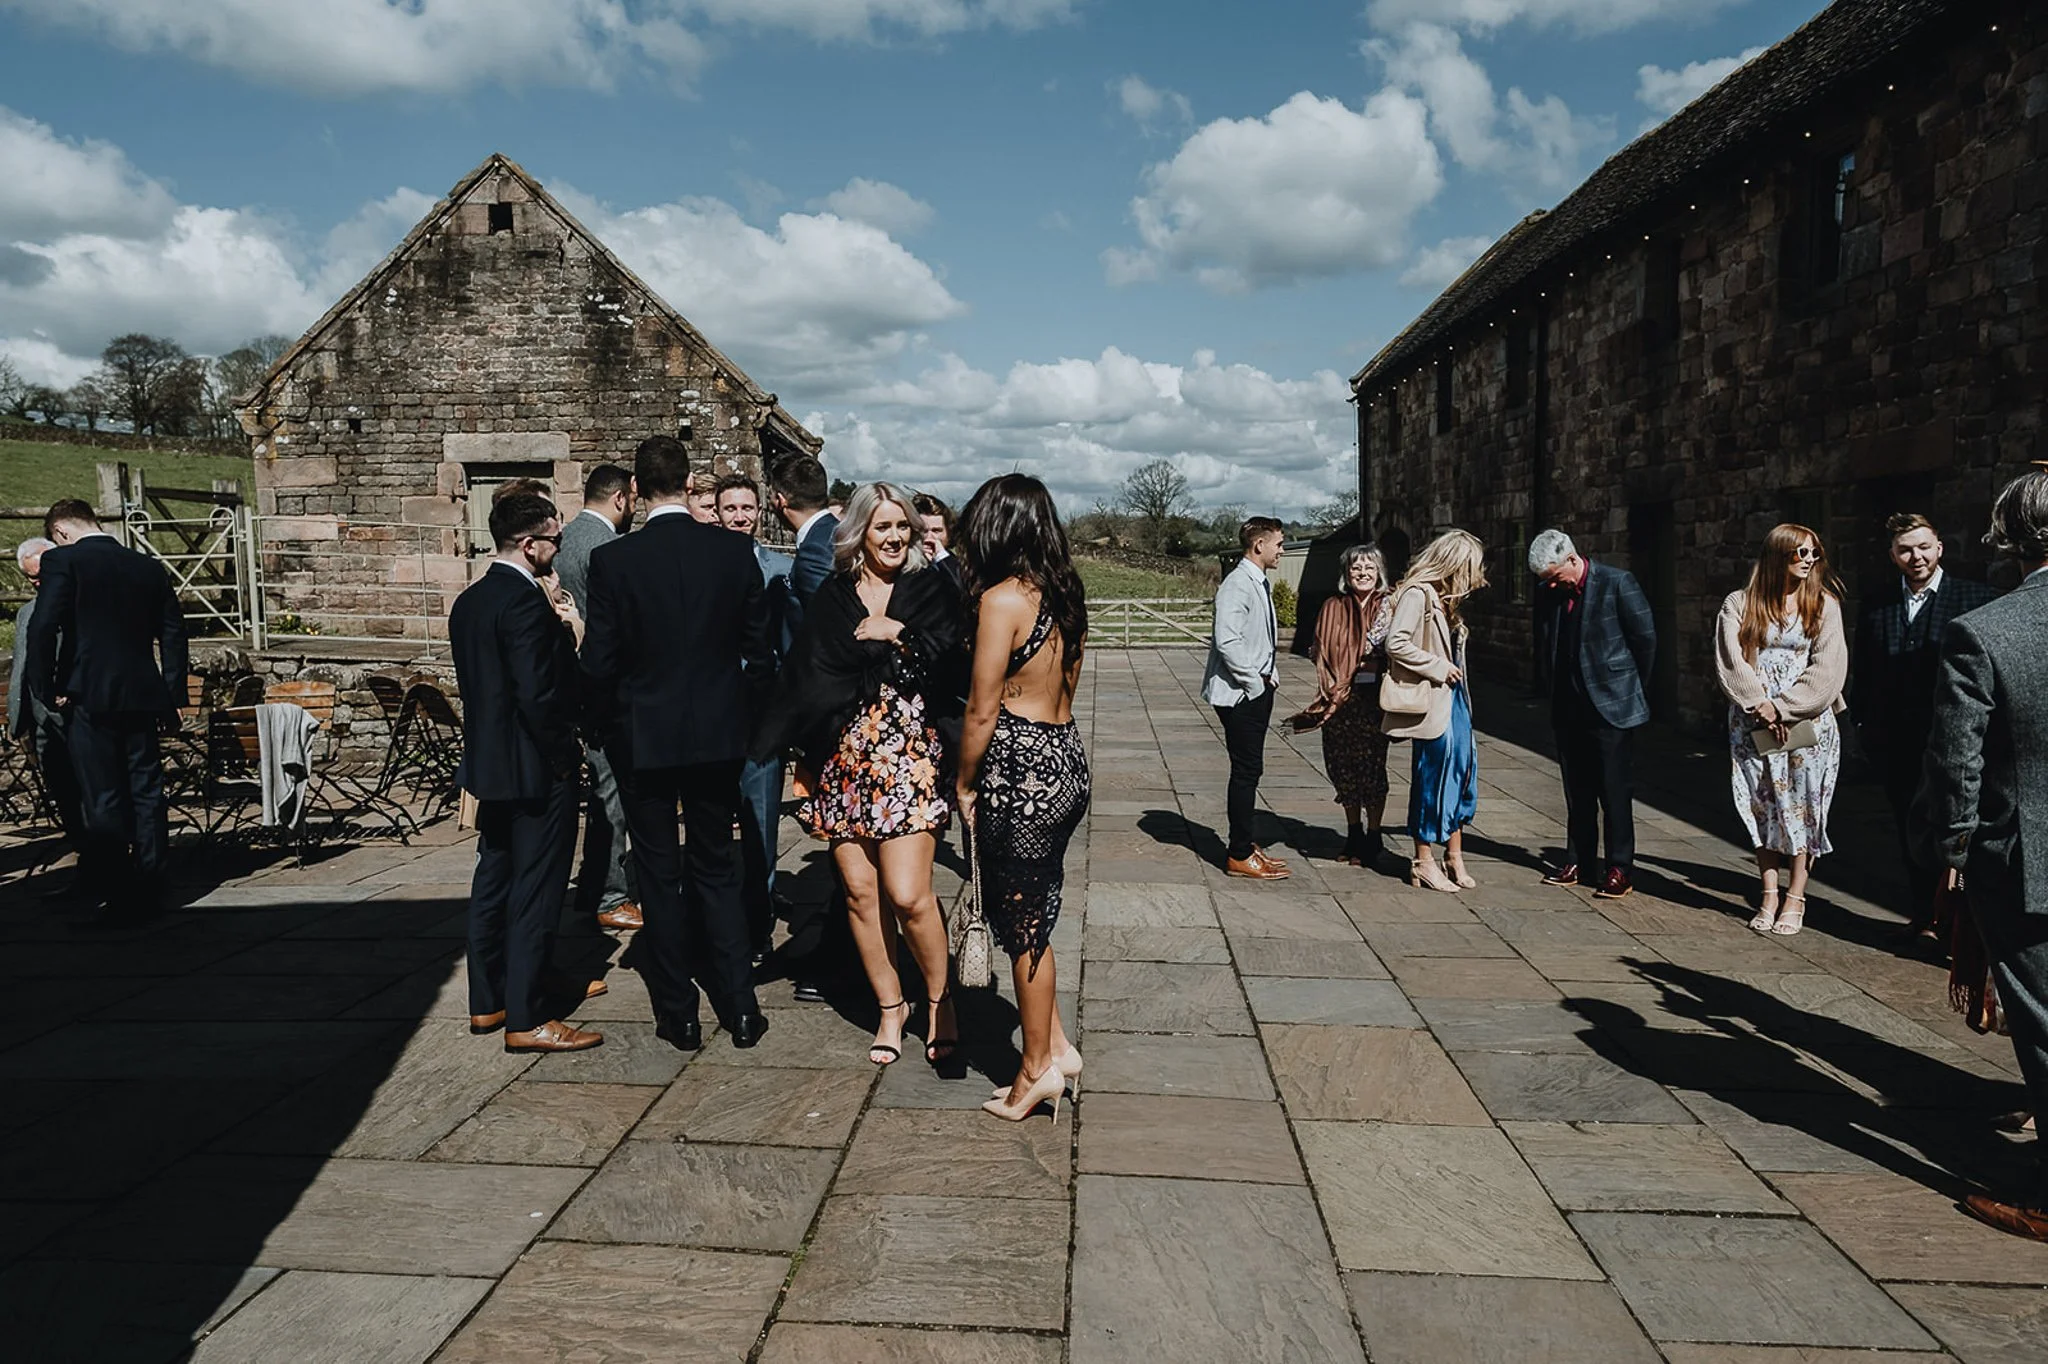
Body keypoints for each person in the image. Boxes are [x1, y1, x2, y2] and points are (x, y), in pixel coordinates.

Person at [753, 482, 962, 1067]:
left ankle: (942, 1002)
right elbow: (807, 678)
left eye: (902, 527)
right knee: (861, 895)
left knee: (909, 893)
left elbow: (954, 662)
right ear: (860, 535)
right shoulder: (835, 596)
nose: (894, 538)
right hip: (845, 760)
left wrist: (897, 632)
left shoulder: (930, 589)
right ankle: (891, 1007)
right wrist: (802, 756)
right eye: (883, 528)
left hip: (910, 758)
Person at [583, 436, 774, 1051]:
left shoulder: (616, 562)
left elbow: (601, 662)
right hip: (718, 738)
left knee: (659, 874)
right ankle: (740, 1009)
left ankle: (679, 1014)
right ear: (689, 484)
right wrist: (746, 720)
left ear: (636, 490)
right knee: (718, 867)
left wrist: (603, 726)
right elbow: (760, 654)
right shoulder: (733, 551)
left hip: (644, 740)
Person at [1914, 469, 2048, 1242]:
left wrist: (1956, 847)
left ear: (2011, 538)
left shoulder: (1984, 632)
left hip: (2026, 863)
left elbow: (1955, 760)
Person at [953, 475, 1092, 1122]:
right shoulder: (1067, 594)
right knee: (1036, 907)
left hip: (1019, 765)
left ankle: (1034, 1070)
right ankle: (1058, 1046)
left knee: (1024, 924)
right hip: (1065, 757)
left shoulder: (1001, 601)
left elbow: (981, 709)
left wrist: (964, 780)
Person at [448, 492, 600, 1053]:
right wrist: (567, 757)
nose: (558, 548)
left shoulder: (470, 602)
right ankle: (530, 1015)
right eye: (555, 540)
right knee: (537, 889)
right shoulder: (525, 605)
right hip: (536, 769)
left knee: (494, 881)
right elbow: (540, 696)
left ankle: (489, 1002)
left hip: (490, 765)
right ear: (529, 543)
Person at [23, 500, 187, 922]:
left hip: (88, 693)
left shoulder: (65, 561)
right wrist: (171, 695)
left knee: (103, 794)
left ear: (59, 531)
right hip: (141, 694)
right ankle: (153, 881)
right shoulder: (146, 565)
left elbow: (43, 626)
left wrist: (45, 687)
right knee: (148, 792)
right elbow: (172, 633)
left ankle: (117, 890)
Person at [1852, 513, 1997, 937]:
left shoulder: (1974, 598)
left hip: (1955, 738)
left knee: (1957, 826)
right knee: (1909, 829)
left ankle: (1960, 918)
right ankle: (1924, 912)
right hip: (1895, 740)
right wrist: (1864, 724)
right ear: (1893, 555)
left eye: (1923, 547)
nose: (1915, 556)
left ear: (1939, 549)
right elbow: (1866, 668)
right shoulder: (1879, 603)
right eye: (1905, 549)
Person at [1715, 524, 1849, 937]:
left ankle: (1797, 896)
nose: (1809, 560)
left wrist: (1785, 708)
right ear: (1777, 556)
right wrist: (1759, 705)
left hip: (1807, 722)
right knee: (1763, 805)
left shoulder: (1825, 605)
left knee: (1806, 805)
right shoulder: (1739, 603)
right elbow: (1730, 658)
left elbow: (1829, 670)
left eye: (1814, 553)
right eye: (1800, 553)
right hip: (1753, 721)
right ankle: (1769, 892)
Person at [1529, 529, 1657, 899]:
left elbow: (1645, 641)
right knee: (1577, 791)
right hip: (1567, 707)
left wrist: (1630, 691)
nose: (1553, 585)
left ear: (1573, 559)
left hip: (1612, 707)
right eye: (1546, 581)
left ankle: (1619, 867)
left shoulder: (1618, 584)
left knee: (1614, 791)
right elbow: (1545, 642)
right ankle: (1579, 860)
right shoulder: (1548, 594)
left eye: (1555, 577)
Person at [552, 463, 640, 932]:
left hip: (576, 687)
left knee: (605, 795)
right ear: (623, 497)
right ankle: (610, 894)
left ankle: (595, 887)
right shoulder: (608, 546)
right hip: (606, 690)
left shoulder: (564, 539)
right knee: (612, 798)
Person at [767, 454, 841, 1003]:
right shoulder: (831, 535)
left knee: (846, 844)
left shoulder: (817, 551)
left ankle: (838, 960)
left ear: (778, 500)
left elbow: (829, 640)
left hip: (833, 716)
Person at [717, 472, 798, 960]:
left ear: (760, 512)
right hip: (712, 718)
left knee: (762, 825)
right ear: (716, 513)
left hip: (762, 719)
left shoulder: (780, 569)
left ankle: (759, 920)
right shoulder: (701, 566)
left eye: (747, 508)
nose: (740, 517)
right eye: (731, 509)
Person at [1382, 530, 1486, 893]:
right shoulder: (1417, 593)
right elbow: (1395, 642)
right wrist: (1437, 666)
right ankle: (1423, 861)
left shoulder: (1444, 599)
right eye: (1469, 568)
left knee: (1463, 772)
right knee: (1434, 778)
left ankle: (1454, 855)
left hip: (1456, 699)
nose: (1473, 578)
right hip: (1434, 700)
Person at [1202, 516, 1290, 880]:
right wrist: (1254, 684)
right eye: (1279, 544)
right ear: (1259, 545)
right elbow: (1227, 640)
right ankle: (1238, 853)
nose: (1282, 550)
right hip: (1242, 695)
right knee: (1246, 771)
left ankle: (1244, 844)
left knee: (1250, 769)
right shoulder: (1238, 583)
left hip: (1255, 688)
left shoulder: (1257, 581)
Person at [1299, 545, 1395, 869]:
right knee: (1342, 765)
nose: (1363, 573)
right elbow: (1319, 648)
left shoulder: (1389, 605)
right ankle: (1353, 832)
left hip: (1375, 701)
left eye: (1369, 567)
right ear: (1346, 574)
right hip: (1339, 701)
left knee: (1372, 767)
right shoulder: (1332, 606)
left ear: (1379, 571)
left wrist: (1365, 655)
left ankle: (1374, 833)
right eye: (1356, 568)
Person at [8, 537, 82, 840]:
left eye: (42, 575)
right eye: (31, 577)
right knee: (61, 787)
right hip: (41, 718)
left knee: (88, 786)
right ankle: (81, 844)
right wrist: (19, 713)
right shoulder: (26, 612)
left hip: (76, 712)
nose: (37, 582)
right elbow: (22, 663)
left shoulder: (80, 607)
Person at [913, 492, 962, 589]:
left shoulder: (962, 567)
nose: (929, 538)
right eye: (923, 531)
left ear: (949, 533)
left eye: (936, 531)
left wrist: (941, 558)